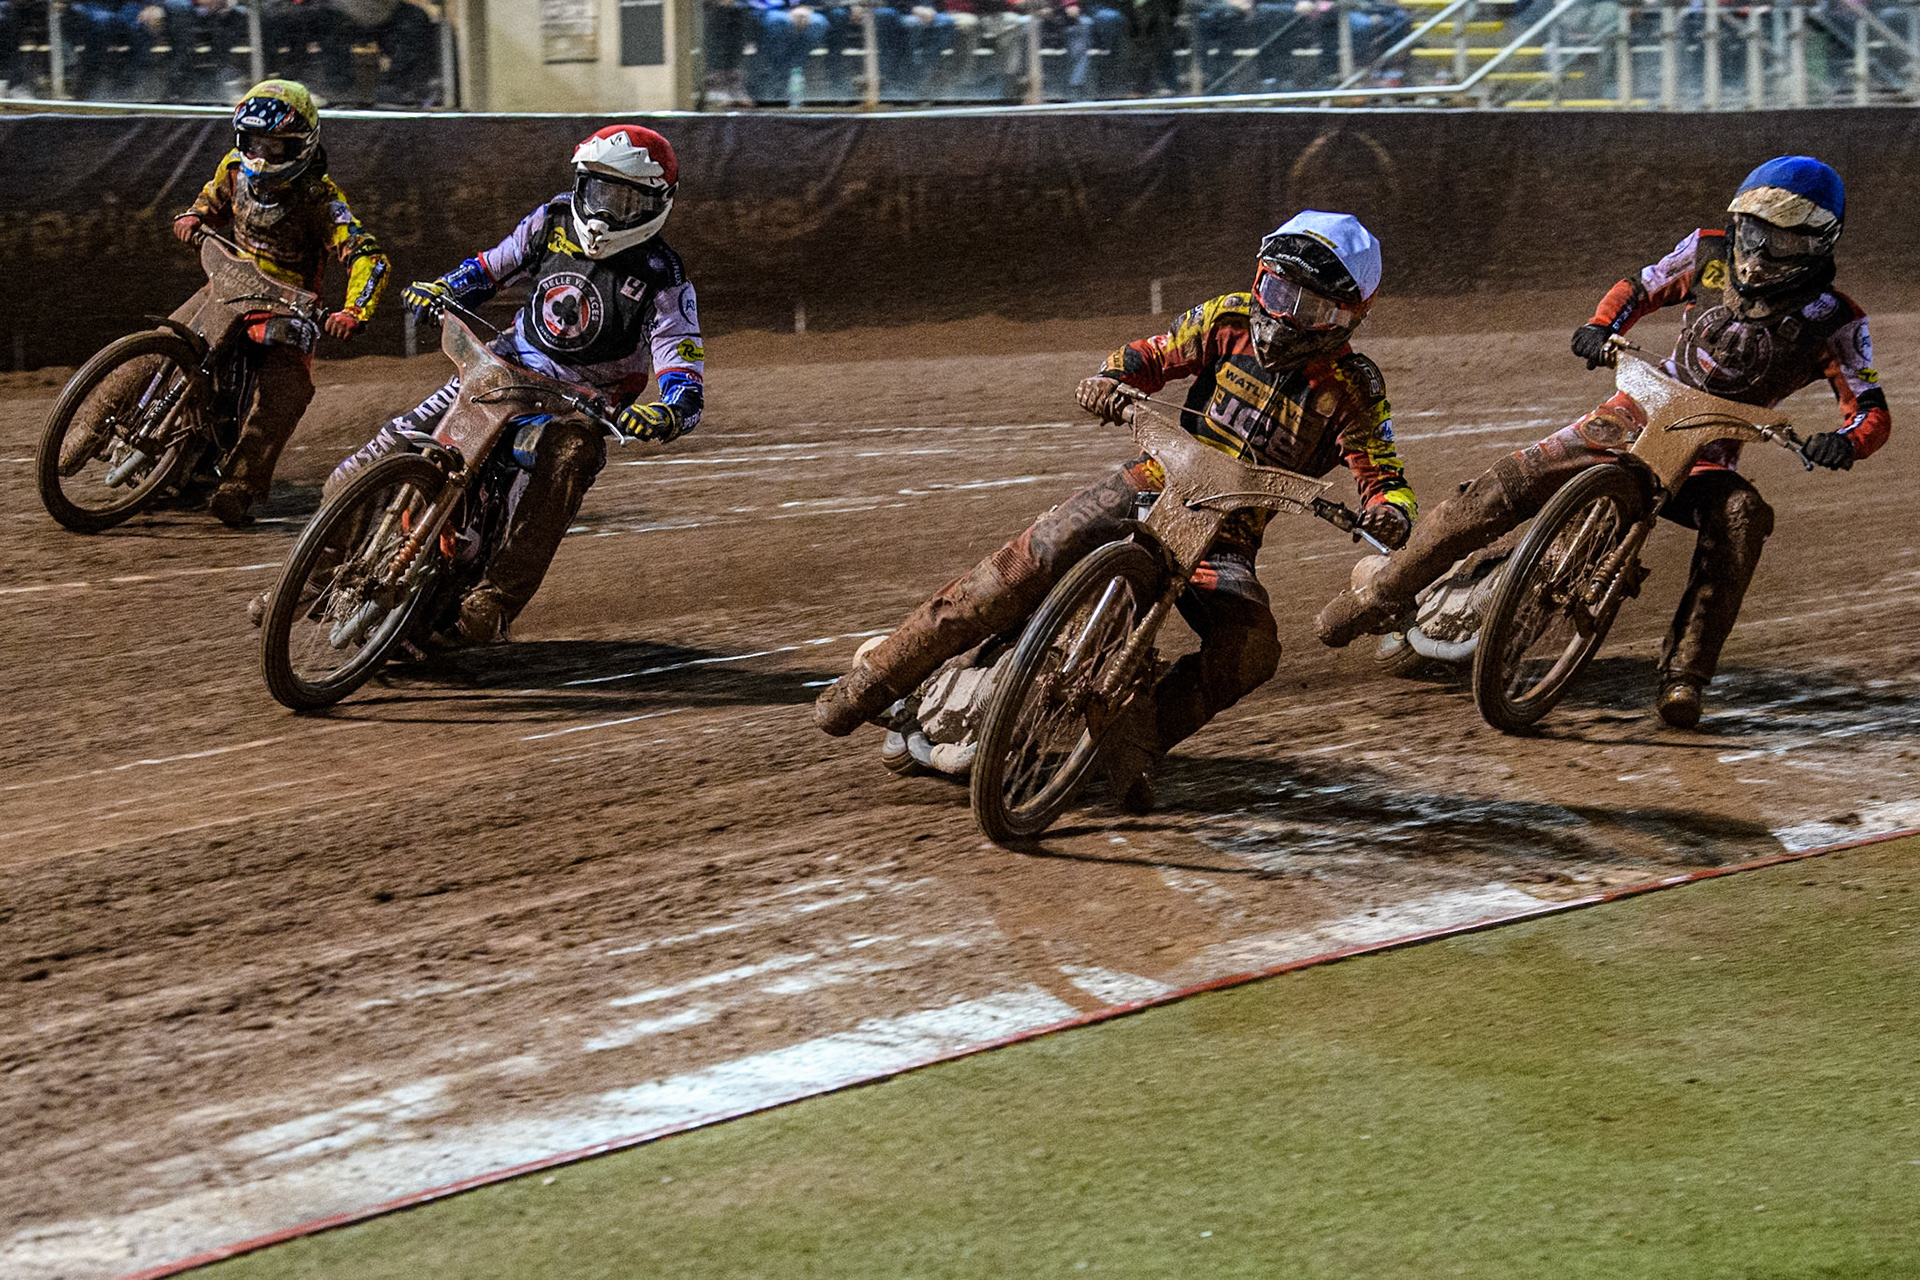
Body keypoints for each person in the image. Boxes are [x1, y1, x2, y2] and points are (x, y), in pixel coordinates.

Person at [814, 211, 1416, 809]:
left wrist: (1388, 510)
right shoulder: (1227, 317)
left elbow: (1383, 473)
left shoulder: (1354, 386)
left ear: (1348, 317)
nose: (1285, 316)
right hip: (1147, 486)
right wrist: (1109, 378)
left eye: (1309, 309)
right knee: (1016, 570)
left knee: (1251, 649)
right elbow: (1150, 355)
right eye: (1278, 291)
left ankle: (1133, 738)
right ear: (1259, 280)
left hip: (1225, 542)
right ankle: (870, 684)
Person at [1315, 156, 1891, 729]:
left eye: (1780, 242)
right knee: (1499, 488)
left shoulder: (1837, 321)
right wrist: (1601, 327)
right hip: (1635, 410)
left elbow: (1869, 409)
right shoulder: (1709, 249)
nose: (1759, 253)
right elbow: (1641, 286)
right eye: (1753, 232)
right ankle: (1379, 594)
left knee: (1741, 515)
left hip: (1708, 453)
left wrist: (1845, 443)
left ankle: (1684, 677)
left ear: (1817, 246)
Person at [326, 125, 705, 646]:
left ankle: (493, 600)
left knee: (572, 457)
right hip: (499, 370)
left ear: (656, 204)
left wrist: (667, 411)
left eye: (624, 199)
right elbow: (490, 268)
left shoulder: (663, 276)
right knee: (362, 466)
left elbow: (682, 363)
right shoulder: (551, 220)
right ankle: (315, 579)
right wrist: (445, 288)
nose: (604, 211)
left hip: (575, 407)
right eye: (598, 191)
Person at [170, 79, 388, 525]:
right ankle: (101, 418)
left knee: (286, 391)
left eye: (275, 147)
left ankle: (241, 484)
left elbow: (368, 254)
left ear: (301, 146)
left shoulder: (320, 200)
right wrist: (194, 215)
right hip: (230, 283)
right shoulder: (234, 169)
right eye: (254, 143)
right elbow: (212, 200)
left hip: (289, 308)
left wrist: (353, 311)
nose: (261, 156)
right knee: (166, 338)